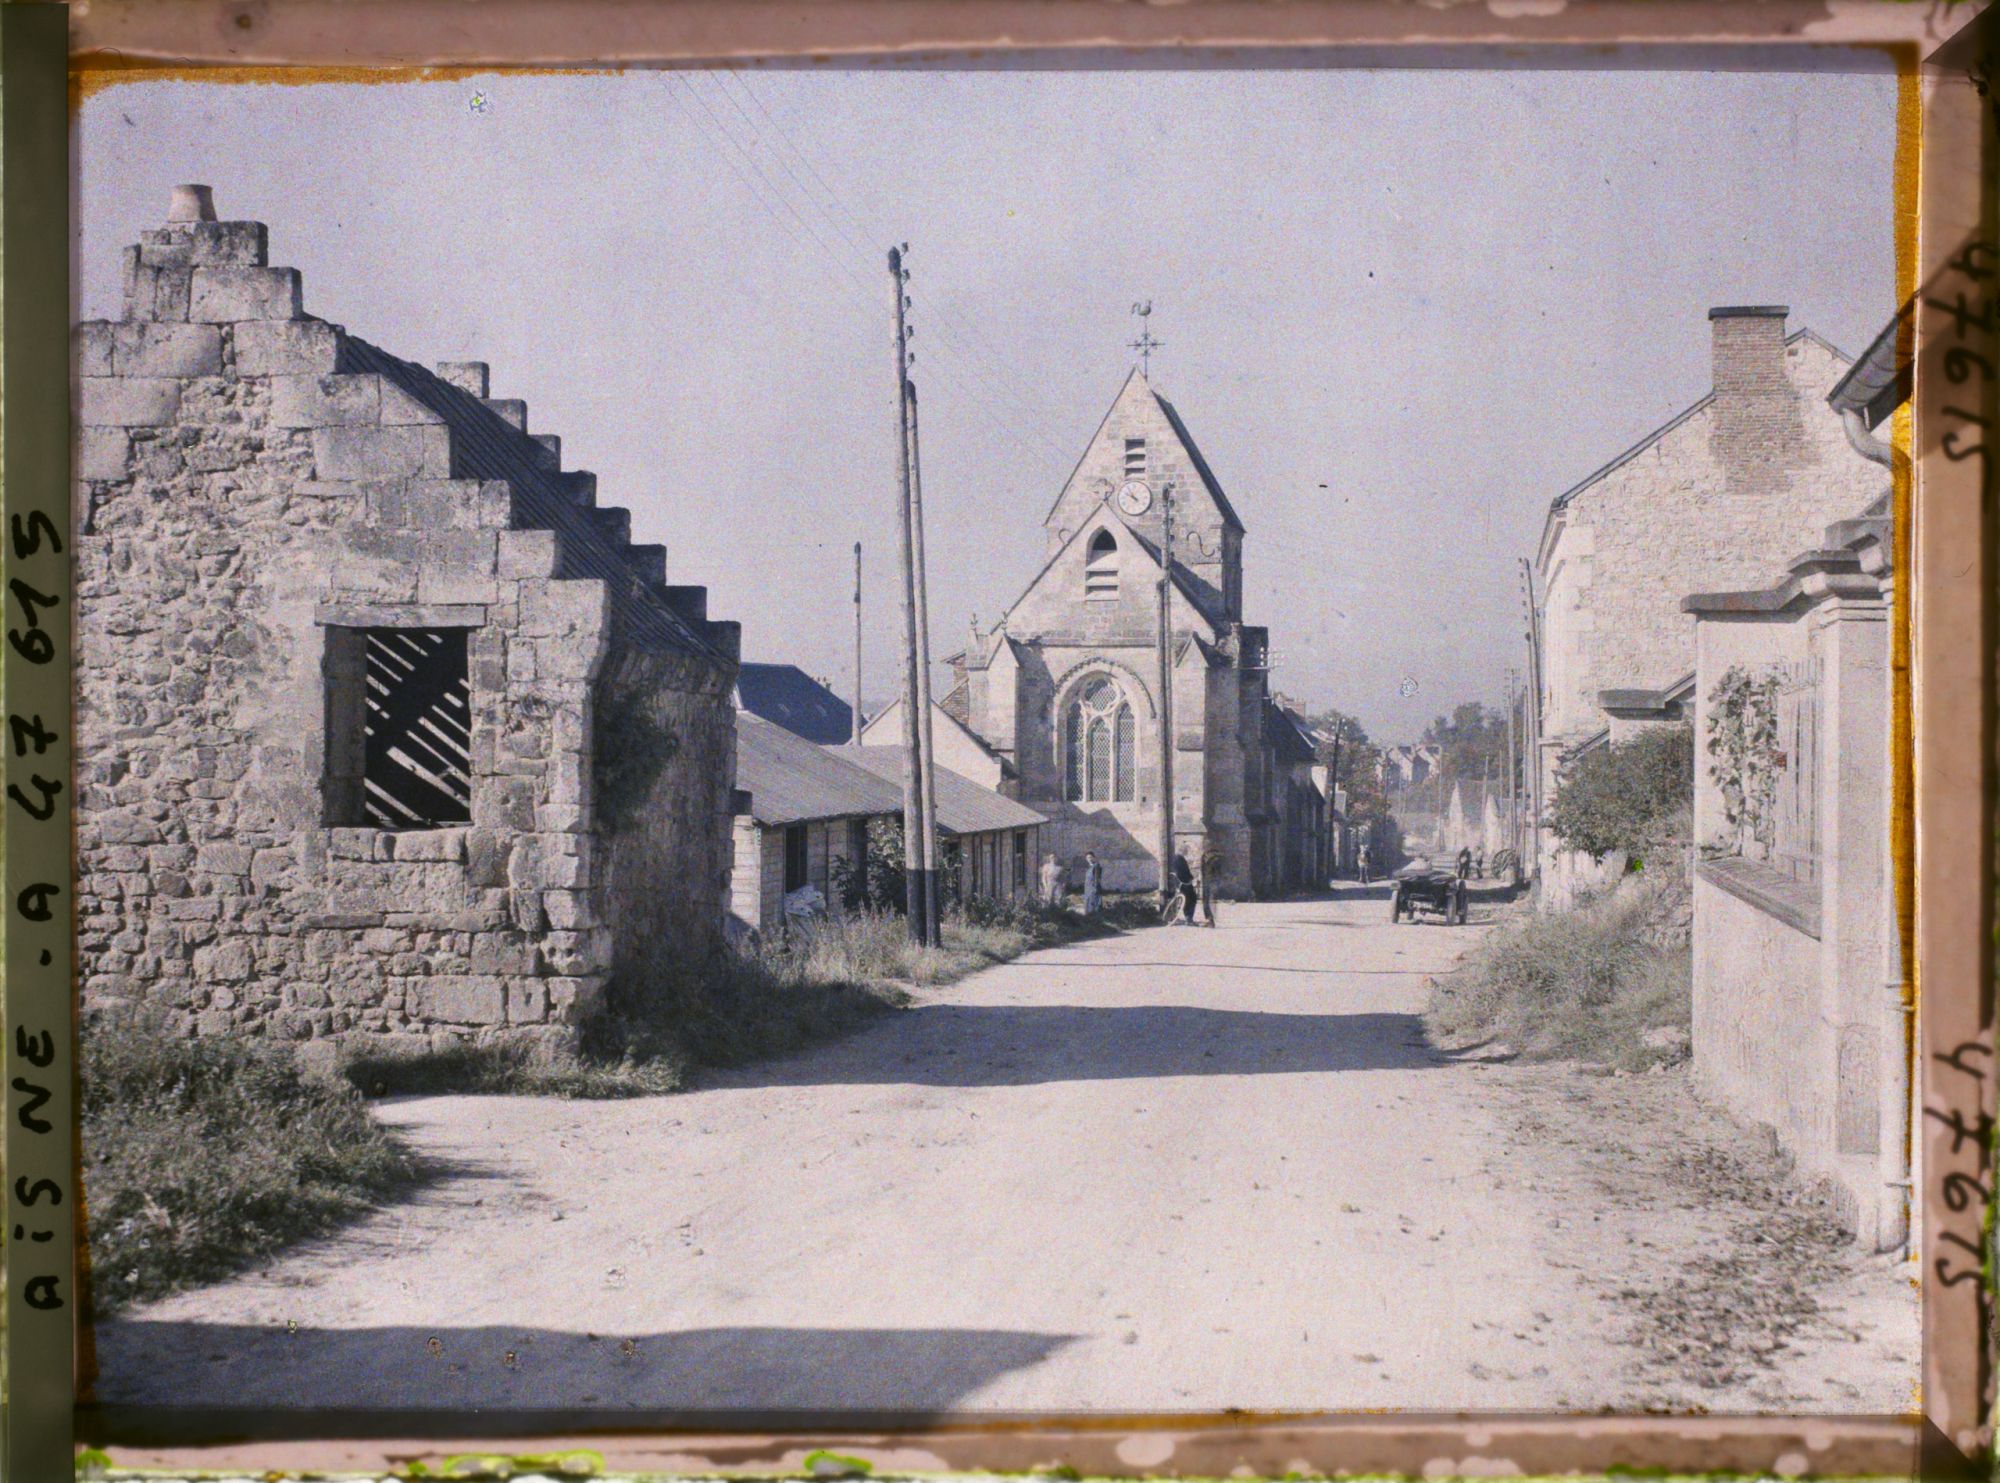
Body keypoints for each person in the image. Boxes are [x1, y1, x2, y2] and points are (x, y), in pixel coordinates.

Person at [1168, 849, 1197, 926]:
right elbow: (1185, 873)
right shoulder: (1179, 858)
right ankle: (1189, 918)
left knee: (1189, 896)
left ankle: (1185, 917)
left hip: (1178, 883)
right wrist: (1191, 879)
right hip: (1183, 883)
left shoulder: (1174, 858)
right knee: (1192, 897)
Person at [1197, 845, 1220, 928]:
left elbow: (1217, 873)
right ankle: (1209, 920)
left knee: (1207, 902)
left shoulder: (1214, 860)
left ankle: (1210, 920)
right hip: (1207, 881)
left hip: (1209, 882)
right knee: (1207, 901)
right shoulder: (1205, 858)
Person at [1082, 851, 1103, 916]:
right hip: (1087, 890)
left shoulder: (1096, 866)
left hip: (1093, 889)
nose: (1089, 859)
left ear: (1094, 858)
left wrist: (1095, 889)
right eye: (1088, 857)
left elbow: (1097, 878)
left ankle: (1095, 920)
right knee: (1087, 906)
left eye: (1091, 857)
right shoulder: (1089, 867)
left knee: (1093, 906)